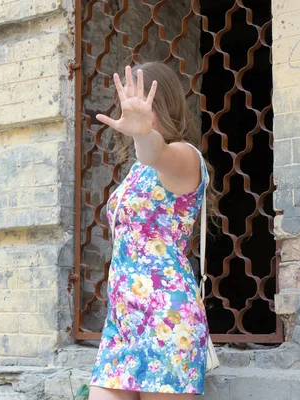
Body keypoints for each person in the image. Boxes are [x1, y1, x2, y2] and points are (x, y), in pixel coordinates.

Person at [88, 61, 217, 399]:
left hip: (166, 318)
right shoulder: (135, 171)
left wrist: (145, 133)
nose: (134, 109)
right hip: (122, 322)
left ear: (163, 105)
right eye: (130, 103)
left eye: (145, 102)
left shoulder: (184, 158)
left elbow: (155, 152)